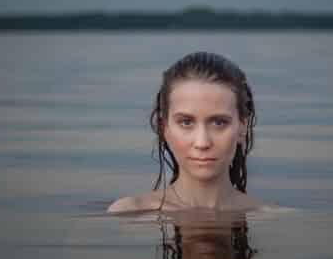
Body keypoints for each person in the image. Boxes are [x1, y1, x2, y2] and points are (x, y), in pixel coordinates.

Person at [108, 51, 264, 212]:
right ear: (164, 128)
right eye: (186, 122)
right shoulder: (129, 212)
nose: (202, 143)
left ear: (242, 127)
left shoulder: (269, 217)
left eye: (219, 122)